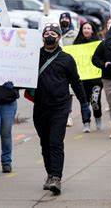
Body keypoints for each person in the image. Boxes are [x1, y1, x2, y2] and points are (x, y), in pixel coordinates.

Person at [34, 24, 87, 195]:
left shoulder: (67, 59)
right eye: (46, 33)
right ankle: (49, 173)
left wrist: (84, 104)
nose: (49, 36)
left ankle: (56, 178)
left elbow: (76, 82)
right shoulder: (34, 56)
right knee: (45, 143)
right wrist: (12, 86)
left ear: (58, 37)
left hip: (60, 107)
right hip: (40, 107)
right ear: (42, 37)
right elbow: (23, 77)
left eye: (53, 34)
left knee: (55, 142)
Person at [74, 21, 103, 132]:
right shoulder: (76, 44)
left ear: (92, 30)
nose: (86, 30)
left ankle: (98, 119)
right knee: (84, 102)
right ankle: (86, 123)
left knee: (95, 100)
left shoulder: (98, 44)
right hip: (82, 79)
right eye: (84, 28)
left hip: (96, 78)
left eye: (88, 28)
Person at [60, 12, 80, 127]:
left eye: (67, 18)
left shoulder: (75, 34)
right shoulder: (57, 32)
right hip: (59, 65)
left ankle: (68, 115)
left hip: (70, 65)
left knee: (69, 92)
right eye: (62, 18)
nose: (64, 20)